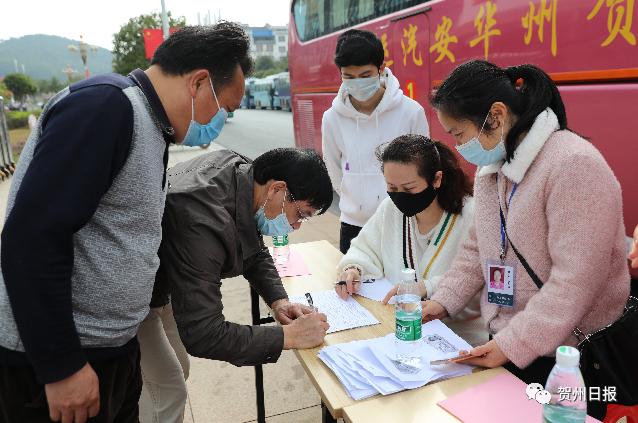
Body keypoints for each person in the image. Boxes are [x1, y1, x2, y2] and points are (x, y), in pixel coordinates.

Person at [0, 22, 250, 423]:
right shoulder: (106, 108)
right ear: (199, 83)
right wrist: (60, 365)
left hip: (112, 346)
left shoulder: (152, 126)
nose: (222, 120)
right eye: (225, 108)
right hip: (64, 358)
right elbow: (32, 239)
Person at [421, 60, 630, 385]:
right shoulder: (493, 170)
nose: (458, 147)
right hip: (513, 343)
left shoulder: (574, 165)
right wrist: (441, 301)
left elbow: (575, 282)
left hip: (572, 359)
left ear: (497, 116)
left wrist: (512, 343)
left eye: (459, 133)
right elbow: (477, 250)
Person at [145, 148, 333, 419]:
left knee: (176, 367)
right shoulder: (202, 220)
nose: (296, 226)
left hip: (167, 285)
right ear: (278, 189)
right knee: (166, 388)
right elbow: (204, 334)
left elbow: (255, 252)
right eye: (301, 214)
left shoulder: (244, 174)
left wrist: (279, 301)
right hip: (130, 298)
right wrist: (287, 337)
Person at [335, 135, 487, 346]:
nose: (399, 196)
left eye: (409, 189)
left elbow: (480, 281)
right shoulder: (391, 209)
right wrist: (353, 269)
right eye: (392, 187)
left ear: (436, 179)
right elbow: (365, 248)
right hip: (398, 330)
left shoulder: (471, 215)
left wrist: (428, 287)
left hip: (458, 339)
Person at [321, 29, 430, 254]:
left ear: (381, 69)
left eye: (364, 75)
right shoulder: (332, 118)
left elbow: (425, 168)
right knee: (354, 287)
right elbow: (333, 168)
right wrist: (355, 201)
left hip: (402, 223)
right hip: (353, 225)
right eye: (349, 77)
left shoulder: (410, 112)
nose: (357, 83)